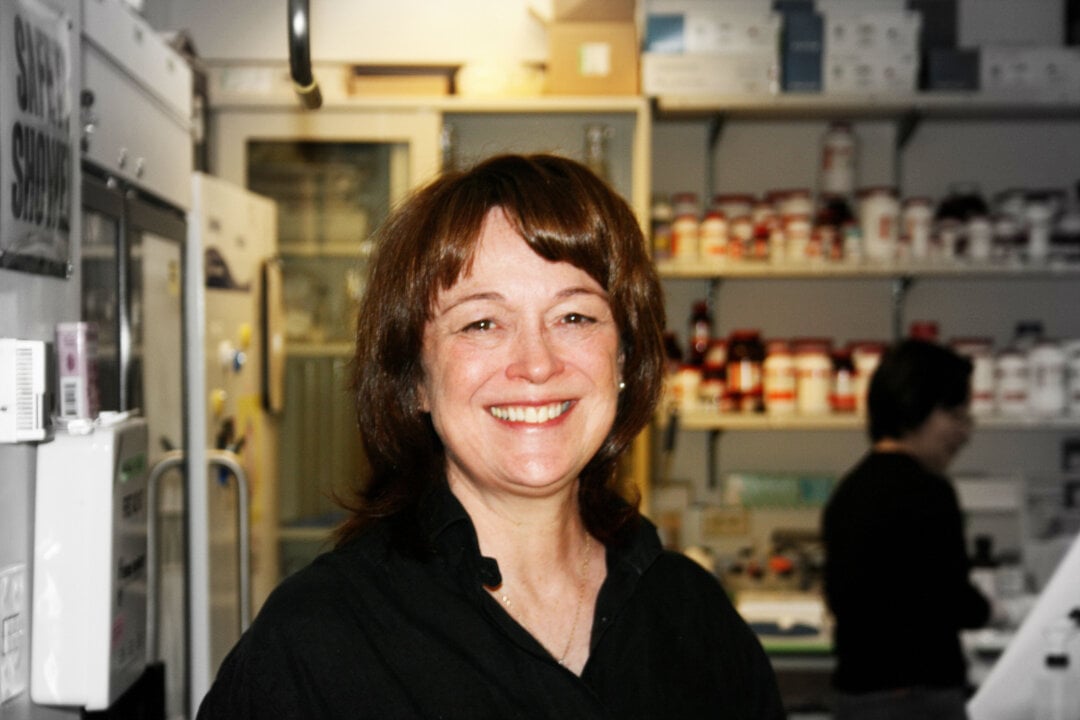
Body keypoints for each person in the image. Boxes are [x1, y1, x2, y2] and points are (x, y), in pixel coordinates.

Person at [197, 153, 785, 719]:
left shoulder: (695, 618)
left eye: (574, 317)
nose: (537, 364)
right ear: (415, 380)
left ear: (625, 358)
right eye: (481, 323)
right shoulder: (315, 642)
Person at [822, 338, 992, 720]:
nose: (964, 433)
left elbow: (840, 597)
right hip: (918, 698)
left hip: (858, 697)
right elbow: (955, 599)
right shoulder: (930, 492)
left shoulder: (849, 491)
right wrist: (992, 611)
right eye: (957, 415)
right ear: (918, 408)